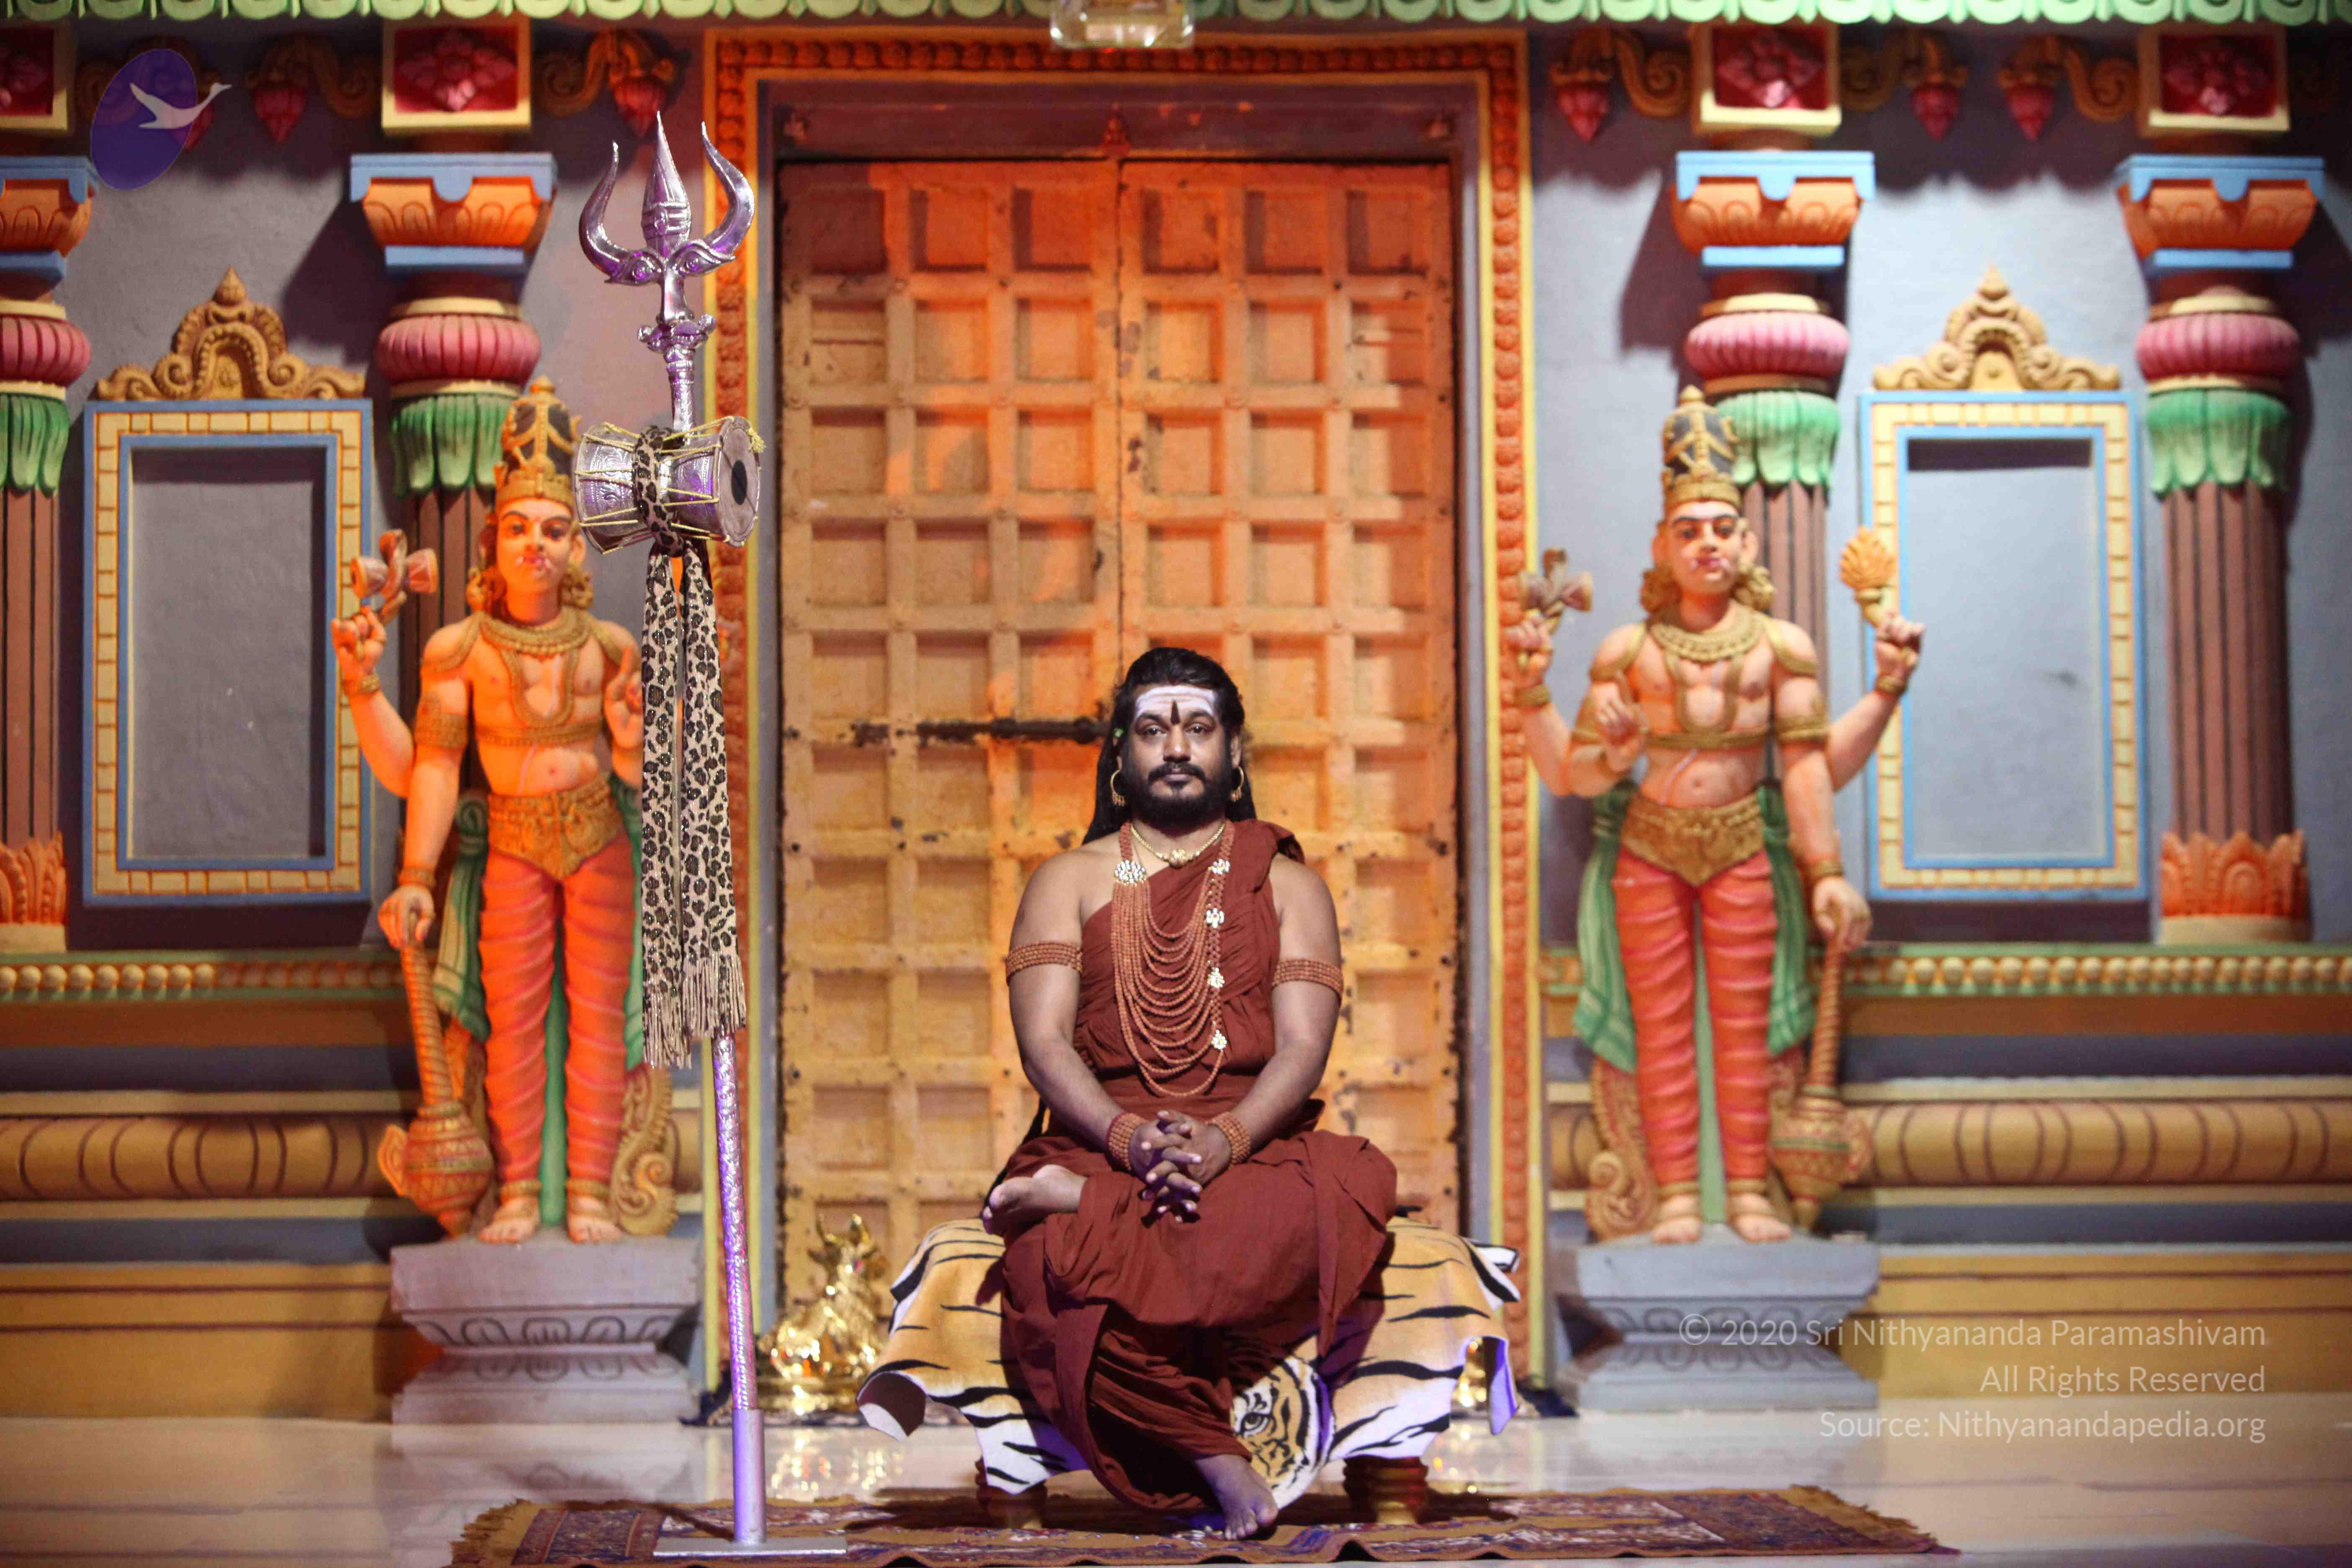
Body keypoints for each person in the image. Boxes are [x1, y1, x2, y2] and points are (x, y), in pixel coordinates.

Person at [978, 647, 1397, 1540]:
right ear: (1120, 756)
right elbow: (1044, 1044)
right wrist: (1128, 1141)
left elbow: (1303, 1050)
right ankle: (1217, 1457)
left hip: (1250, 1148)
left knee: (1343, 1189)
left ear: (1233, 753)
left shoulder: (1290, 885)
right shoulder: (1068, 880)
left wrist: (1223, 1143)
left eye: (1199, 728)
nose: (1176, 747)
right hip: (1098, 1138)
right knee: (1048, 1268)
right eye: (1153, 729)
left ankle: (1085, 1205)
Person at [1506, 389, 1923, 1246]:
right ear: (1662, 546)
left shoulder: (1781, 648)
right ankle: (1676, 1198)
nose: (1707, 544)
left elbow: (1808, 769)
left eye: (1722, 529)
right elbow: (1571, 776)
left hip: (1741, 848)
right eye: (1688, 530)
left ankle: (1747, 1194)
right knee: (1660, 1030)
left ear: (1748, 544)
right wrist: (1538, 696)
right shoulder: (1630, 651)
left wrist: (1829, 866)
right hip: (1651, 848)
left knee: (1746, 1031)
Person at [331, 377, 645, 1245]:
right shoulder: (459, 651)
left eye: (553, 529)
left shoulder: (608, 648)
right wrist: (414, 875)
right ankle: (517, 1192)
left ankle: (588, 1192)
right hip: (510, 842)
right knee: (513, 1027)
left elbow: (636, 775)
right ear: (490, 542)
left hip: (599, 837)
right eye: (517, 528)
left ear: (577, 548)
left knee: (598, 1022)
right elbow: (428, 768)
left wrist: (628, 745)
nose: (535, 545)